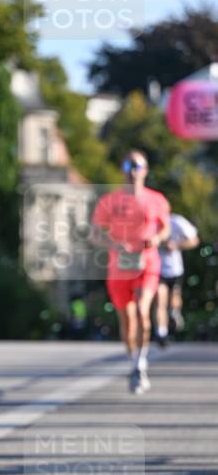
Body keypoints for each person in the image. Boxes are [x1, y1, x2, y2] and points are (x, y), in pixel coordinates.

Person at [90, 150, 170, 394]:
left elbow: (165, 229)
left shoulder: (157, 199)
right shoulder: (109, 201)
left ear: (145, 170)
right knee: (128, 319)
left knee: (144, 313)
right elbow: (95, 234)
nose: (133, 171)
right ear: (122, 170)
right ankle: (134, 361)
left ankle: (140, 363)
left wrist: (155, 239)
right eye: (128, 166)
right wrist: (114, 245)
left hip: (147, 264)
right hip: (119, 267)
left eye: (138, 166)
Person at [154, 213, 199, 345]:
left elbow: (194, 240)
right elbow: (140, 244)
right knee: (159, 300)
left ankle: (174, 313)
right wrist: (155, 243)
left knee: (174, 297)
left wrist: (176, 245)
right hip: (156, 269)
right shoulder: (149, 223)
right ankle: (161, 332)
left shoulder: (176, 221)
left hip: (174, 269)